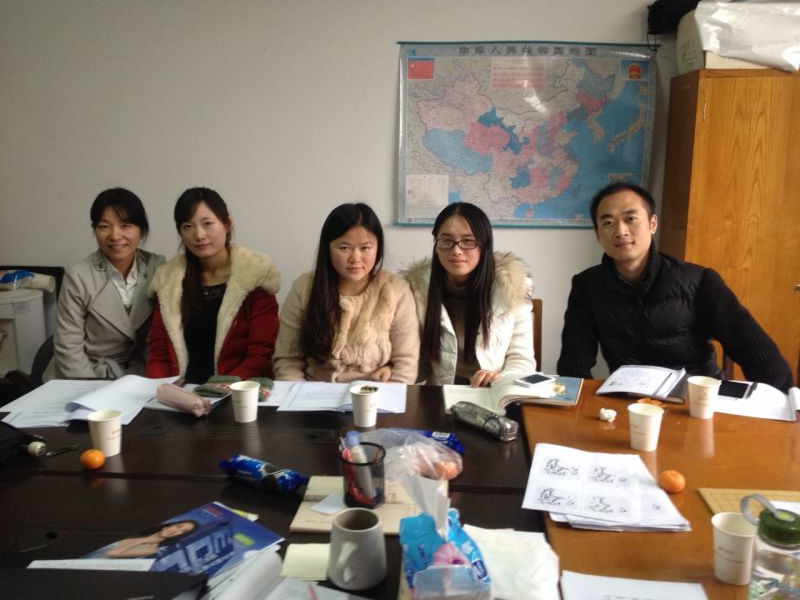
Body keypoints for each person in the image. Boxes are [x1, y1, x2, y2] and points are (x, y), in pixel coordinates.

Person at [557, 182, 793, 392]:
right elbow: (573, 364)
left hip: (695, 402)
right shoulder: (587, 286)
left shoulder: (700, 281)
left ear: (652, 224)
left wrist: (783, 404)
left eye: (631, 219)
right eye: (608, 222)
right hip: (630, 401)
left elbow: (755, 350)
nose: (620, 231)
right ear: (598, 234)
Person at [273, 203, 419, 383]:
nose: (355, 258)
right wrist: (299, 395)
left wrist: (385, 396)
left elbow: (406, 365)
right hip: (312, 391)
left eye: (365, 248)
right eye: (344, 248)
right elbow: (287, 360)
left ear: (378, 248)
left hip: (374, 394)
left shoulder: (397, 291)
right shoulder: (304, 287)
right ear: (328, 248)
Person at [146, 187, 280, 383]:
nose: (199, 235)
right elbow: (159, 352)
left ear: (227, 224)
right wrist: (161, 388)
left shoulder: (256, 276)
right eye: (188, 226)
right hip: (181, 392)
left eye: (207, 223)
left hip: (238, 390)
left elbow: (261, 353)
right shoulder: (168, 281)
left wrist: (219, 388)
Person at [404, 202, 535, 386]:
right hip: (440, 394)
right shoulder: (417, 290)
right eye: (446, 240)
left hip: (493, 393)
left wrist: (499, 378)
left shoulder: (512, 288)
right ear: (436, 245)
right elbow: (418, 364)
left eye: (468, 241)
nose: (456, 250)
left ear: (484, 244)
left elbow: (521, 358)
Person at [52, 188, 166, 379]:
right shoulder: (78, 276)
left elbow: (162, 338)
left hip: (139, 374)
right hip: (87, 374)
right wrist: (92, 390)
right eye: (104, 226)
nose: (115, 235)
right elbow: (68, 347)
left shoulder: (158, 267)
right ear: (95, 230)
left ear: (141, 230)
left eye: (125, 225)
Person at [104, 520, 199, 558]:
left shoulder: (152, 549)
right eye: (178, 526)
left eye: (182, 532)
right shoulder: (144, 529)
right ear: (171, 525)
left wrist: (143, 541)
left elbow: (110, 553)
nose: (176, 531)